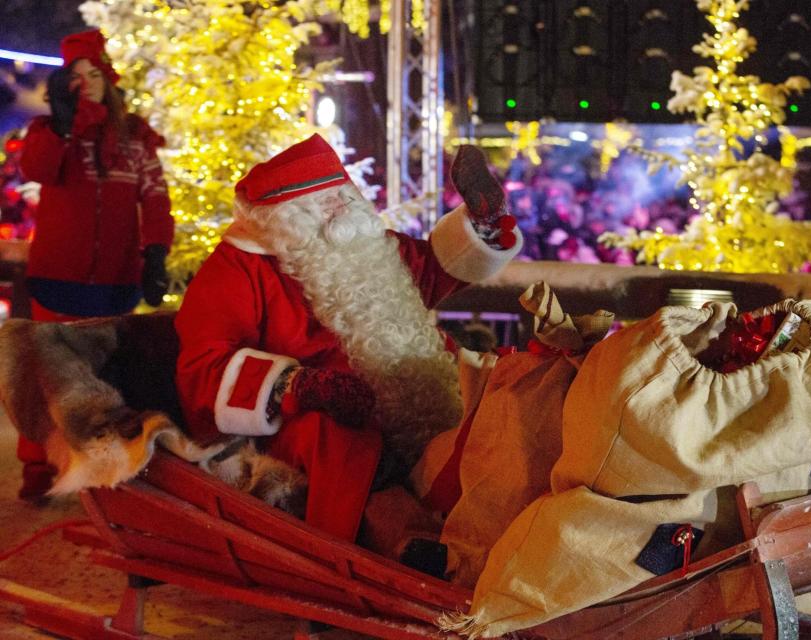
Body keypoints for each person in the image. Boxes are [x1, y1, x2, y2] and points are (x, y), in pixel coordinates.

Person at [174, 135, 521, 542]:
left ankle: (508, 510)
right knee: (338, 443)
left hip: (412, 400)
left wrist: (483, 224)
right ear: (283, 218)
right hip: (307, 422)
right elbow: (204, 369)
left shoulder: (368, 248)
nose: (338, 205)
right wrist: (299, 385)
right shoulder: (237, 271)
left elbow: (433, 268)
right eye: (320, 202)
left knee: (499, 393)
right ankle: (399, 548)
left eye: (341, 193)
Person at [15, 30, 174, 501]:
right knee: (47, 378)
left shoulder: (136, 140)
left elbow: (157, 199)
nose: (86, 84)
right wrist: (65, 126)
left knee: (109, 380)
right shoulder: (50, 134)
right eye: (76, 78)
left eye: (93, 75)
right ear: (66, 86)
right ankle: (38, 469)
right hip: (56, 279)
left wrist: (157, 252)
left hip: (117, 282)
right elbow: (38, 171)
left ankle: (108, 473)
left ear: (108, 80)